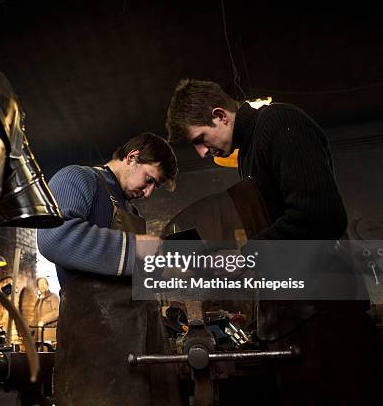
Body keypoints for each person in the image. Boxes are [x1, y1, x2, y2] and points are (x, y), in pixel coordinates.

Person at [166, 79, 382, 405]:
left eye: (200, 139)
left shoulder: (279, 122)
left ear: (220, 115)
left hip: (327, 314)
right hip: (297, 318)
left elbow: (320, 216)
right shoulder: (248, 154)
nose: (203, 152)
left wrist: (243, 257)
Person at [37, 133, 181, 406]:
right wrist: (134, 248)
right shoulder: (77, 179)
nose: (148, 192)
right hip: (94, 350)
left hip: (139, 346)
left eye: (155, 187)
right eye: (149, 179)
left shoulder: (128, 208)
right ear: (132, 157)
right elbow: (54, 237)